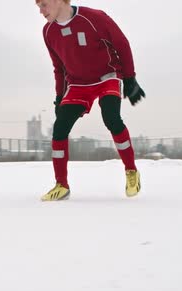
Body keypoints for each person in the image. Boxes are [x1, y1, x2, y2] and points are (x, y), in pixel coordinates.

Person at [35, 0, 145, 201]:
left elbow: (122, 43)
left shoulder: (94, 17)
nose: (40, 11)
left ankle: (131, 171)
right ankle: (61, 185)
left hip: (107, 77)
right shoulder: (48, 31)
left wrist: (129, 78)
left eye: (43, 4)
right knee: (60, 128)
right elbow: (59, 68)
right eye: (38, 6)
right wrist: (60, 97)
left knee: (111, 118)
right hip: (78, 84)